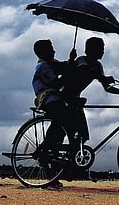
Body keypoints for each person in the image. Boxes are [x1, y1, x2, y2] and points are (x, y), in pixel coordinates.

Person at [61, 37, 119, 143]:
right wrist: (102, 77)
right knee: (72, 133)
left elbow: (107, 88)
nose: (103, 51)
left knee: (83, 136)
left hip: (76, 101)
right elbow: (84, 71)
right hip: (66, 99)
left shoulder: (98, 66)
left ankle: (75, 154)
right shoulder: (81, 60)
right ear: (92, 50)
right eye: (101, 48)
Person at [32, 39, 76, 188]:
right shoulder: (43, 66)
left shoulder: (51, 63)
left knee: (62, 128)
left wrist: (71, 60)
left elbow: (63, 67)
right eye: (51, 48)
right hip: (48, 98)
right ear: (43, 52)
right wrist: (68, 72)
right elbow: (56, 83)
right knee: (60, 121)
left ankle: (53, 172)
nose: (54, 51)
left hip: (55, 98)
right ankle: (45, 148)